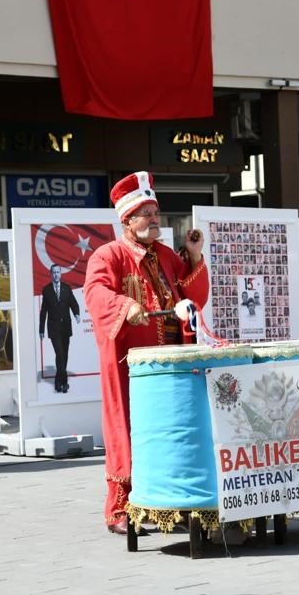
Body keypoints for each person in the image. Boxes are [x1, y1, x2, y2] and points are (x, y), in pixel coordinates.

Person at [84, 171, 209, 535]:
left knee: (169, 431)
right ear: (127, 219)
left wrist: (196, 254)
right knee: (127, 427)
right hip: (130, 363)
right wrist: (125, 306)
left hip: (171, 366)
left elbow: (195, 296)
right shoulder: (108, 255)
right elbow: (95, 294)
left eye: (156, 212)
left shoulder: (168, 255)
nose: (154, 219)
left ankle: (169, 502)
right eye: (146, 213)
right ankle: (120, 507)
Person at [38, 263, 80, 392]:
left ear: (60, 274)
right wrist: (41, 330)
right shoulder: (47, 290)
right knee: (60, 354)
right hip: (54, 329)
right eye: (54, 272)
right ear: (51, 274)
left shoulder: (67, 288)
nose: (56, 274)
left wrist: (77, 314)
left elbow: (74, 303)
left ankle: (58, 380)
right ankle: (64, 382)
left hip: (66, 328)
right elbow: (43, 311)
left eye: (58, 272)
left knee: (64, 355)